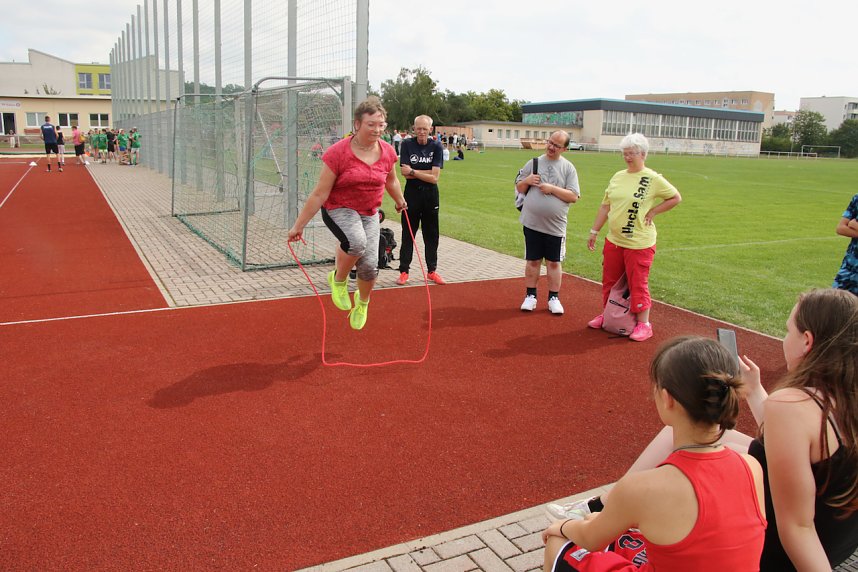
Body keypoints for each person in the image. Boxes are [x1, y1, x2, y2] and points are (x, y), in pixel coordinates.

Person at [548, 288, 858, 571]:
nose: (783, 339)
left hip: (784, 552)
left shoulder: (791, 405)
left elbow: (798, 529)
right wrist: (755, 390)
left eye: (788, 330)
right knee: (682, 437)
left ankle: (605, 507)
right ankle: (602, 505)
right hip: (837, 541)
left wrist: (563, 530)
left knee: (562, 542)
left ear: (807, 341)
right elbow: (793, 439)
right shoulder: (835, 401)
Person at [543, 336, 766, 571]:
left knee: (559, 542)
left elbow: (590, 539)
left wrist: (563, 526)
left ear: (668, 398)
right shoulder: (752, 467)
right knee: (621, 534)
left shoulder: (643, 487)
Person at [287, 97, 406, 330]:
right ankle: (338, 280)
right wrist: (298, 225)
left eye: (381, 124)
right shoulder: (338, 153)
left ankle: (362, 303)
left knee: (371, 265)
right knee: (356, 242)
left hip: (369, 211)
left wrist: (400, 200)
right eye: (371, 124)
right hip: (338, 207)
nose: (377, 129)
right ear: (357, 124)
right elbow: (320, 193)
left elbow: (391, 181)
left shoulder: (388, 152)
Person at [586, 133, 681, 340]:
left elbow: (675, 197)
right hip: (614, 240)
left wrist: (654, 211)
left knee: (638, 282)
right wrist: (594, 231)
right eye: (625, 153)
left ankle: (644, 324)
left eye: (632, 153)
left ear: (643, 154)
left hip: (639, 242)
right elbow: (605, 205)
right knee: (609, 281)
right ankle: (608, 315)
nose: (628, 157)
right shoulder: (618, 176)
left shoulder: (652, 178)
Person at [515, 131, 580, 315]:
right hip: (532, 222)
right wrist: (527, 180)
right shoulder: (533, 162)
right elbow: (519, 187)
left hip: (555, 226)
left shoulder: (568, 168)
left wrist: (552, 189)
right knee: (533, 260)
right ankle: (530, 296)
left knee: (553, 262)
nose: (551, 147)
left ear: (565, 149)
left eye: (556, 145)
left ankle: (553, 298)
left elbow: (573, 196)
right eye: (550, 142)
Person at [396, 115, 446, 286]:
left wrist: (414, 172)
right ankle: (404, 271)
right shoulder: (407, 145)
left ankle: (432, 271)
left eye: (425, 128)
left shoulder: (437, 146)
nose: (422, 132)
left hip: (431, 195)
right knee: (408, 233)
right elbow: (403, 171)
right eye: (419, 128)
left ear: (430, 129)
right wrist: (421, 173)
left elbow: (434, 178)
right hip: (411, 195)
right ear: (414, 128)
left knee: (431, 235)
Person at [833, 193, 858, 294]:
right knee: (836, 304)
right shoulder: (857, 199)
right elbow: (841, 228)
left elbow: (851, 223)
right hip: (850, 267)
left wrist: (853, 225)